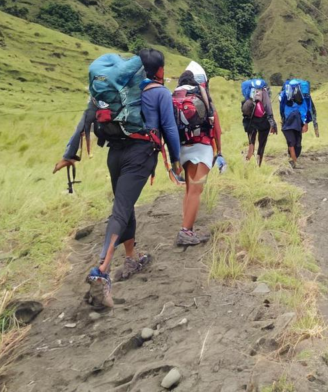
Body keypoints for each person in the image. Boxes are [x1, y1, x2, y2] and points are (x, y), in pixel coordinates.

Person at [53, 49, 181, 309]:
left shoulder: (114, 91)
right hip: (141, 154)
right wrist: (176, 161)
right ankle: (101, 270)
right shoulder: (159, 92)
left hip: (115, 153)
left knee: (125, 204)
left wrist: (69, 154)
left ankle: (132, 258)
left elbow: (86, 118)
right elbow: (168, 128)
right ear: (158, 71)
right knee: (121, 210)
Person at [173, 63, 221, 246]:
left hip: (182, 148)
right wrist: (220, 151)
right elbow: (216, 128)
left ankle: (187, 226)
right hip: (202, 148)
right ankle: (185, 231)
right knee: (196, 189)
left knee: (189, 189)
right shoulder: (202, 96)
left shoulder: (174, 97)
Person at [279, 78, 317, 168]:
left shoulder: (285, 95)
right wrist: (305, 123)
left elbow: (282, 108)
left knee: (295, 144)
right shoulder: (299, 96)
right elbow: (304, 110)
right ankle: (294, 162)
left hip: (292, 121)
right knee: (293, 142)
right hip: (294, 121)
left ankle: (292, 159)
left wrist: (305, 123)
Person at [241, 77, 277, 166]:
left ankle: (248, 158)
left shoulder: (249, 93)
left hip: (251, 120)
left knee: (251, 140)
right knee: (262, 143)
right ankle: (258, 163)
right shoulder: (264, 91)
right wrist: (272, 123)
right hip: (264, 121)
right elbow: (268, 106)